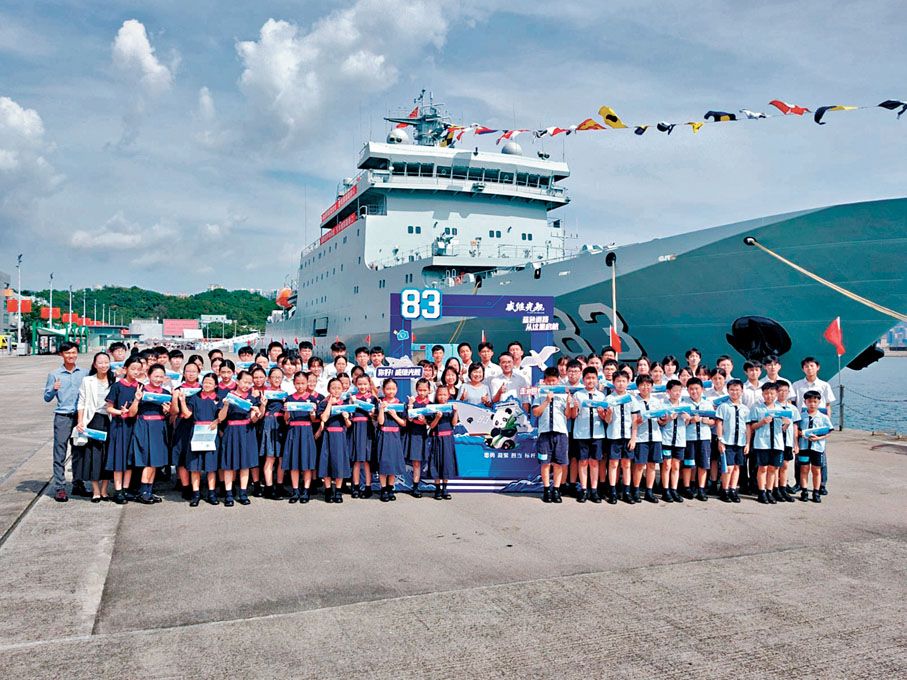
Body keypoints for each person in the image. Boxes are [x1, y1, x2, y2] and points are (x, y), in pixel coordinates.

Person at [43, 342, 87, 501]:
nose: (71, 356)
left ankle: (78, 483)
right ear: (61, 354)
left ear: (77, 354)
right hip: (62, 417)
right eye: (67, 353)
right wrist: (54, 389)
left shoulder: (84, 373)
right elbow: (47, 398)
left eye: (73, 352)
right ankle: (60, 487)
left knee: (79, 451)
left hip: (80, 417)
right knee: (60, 452)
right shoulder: (54, 374)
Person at [126, 364, 172, 504]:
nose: (158, 379)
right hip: (144, 425)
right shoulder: (141, 390)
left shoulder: (165, 392)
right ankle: (143, 491)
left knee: (155, 461)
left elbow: (169, 414)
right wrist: (137, 399)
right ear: (148, 375)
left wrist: (167, 410)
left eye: (161, 376)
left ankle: (149, 490)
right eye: (155, 376)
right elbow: (131, 413)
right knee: (147, 460)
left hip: (159, 427)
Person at [790, 356, 836, 496]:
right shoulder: (797, 385)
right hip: (802, 422)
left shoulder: (824, 385)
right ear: (803, 369)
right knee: (800, 457)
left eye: (812, 366)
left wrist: (825, 424)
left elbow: (827, 405)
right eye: (806, 366)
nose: (809, 369)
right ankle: (799, 484)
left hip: (819, 423)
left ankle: (821, 485)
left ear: (817, 367)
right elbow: (793, 404)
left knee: (820, 458)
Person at [74, 351, 114, 502]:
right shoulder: (88, 380)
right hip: (93, 420)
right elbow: (82, 402)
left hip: (109, 420)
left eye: (106, 362)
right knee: (93, 456)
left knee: (107, 456)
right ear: (95, 364)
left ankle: (104, 490)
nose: (104, 365)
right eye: (100, 362)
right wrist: (80, 421)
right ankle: (95, 490)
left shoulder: (115, 380)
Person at [532, 367, 576, 503]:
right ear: (544, 381)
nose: (551, 384)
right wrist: (546, 400)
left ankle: (556, 490)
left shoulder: (564, 394)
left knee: (558, 463)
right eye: (549, 381)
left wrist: (569, 404)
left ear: (558, 381)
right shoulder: (539, 395)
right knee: (545, 463)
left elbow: (568, 415)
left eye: (554, 381)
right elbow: (536, 413)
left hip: (561, 432)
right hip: (544, 433)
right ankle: (546, 490)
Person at [217, 370, 261, 506]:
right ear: (237, 381)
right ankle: (229, 494)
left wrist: (258, 412)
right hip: (231, 431)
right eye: (244, 382)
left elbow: (253, 420)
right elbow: (220, 418)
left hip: (247, 431)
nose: (246, 385)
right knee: (229, 465)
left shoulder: (252, 398)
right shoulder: (228, 396)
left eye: (249, 383)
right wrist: (225, 406)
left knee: (245, 465)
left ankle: (243, 493)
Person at [178, 372, 222, 506]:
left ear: (215, 385)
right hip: (196, 434)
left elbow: (222, 416)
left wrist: (216, 421)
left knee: (211, 467)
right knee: (195, 466)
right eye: (205, 382)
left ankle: (211, 493)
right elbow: (186, 415)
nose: (207, 384)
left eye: (210, 382)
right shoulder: (194, 398)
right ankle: (196, 494)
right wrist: (182, 401)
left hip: (211, 435)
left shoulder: (219, 399)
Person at [105, 357, 142, 503]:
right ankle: (118, 490)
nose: (136, 372)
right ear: (125, 369)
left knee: (129, 459)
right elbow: (108, 408)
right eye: (133, 368)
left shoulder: (140, 387)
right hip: (119, 426)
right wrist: (120, 412)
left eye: (139, 369)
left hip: (134, 426)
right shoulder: (117, 386)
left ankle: (126, 489)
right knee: (118, 458)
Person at [748, 382, 789, 505]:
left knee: (774, 468)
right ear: (763, 394)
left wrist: (787, 423)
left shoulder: (781, 409)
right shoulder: (757, 408)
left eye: (771, 393)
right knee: (762, 468)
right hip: (762, 443)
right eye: (766, 393)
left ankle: (770, 491)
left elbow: (784, 428)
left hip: (777, 443)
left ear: (776, 394)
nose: (769, 396)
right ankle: (761, 491)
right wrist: (762, 422)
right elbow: (752, 426)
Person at [603, 371, 640, 504]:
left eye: (623, 381)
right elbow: (607, 420)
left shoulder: (632, 399)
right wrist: (609, 413)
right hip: (614, 436)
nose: (621, 383)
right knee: (613, 463)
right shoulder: (608, 399)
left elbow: (635, 420)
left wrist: (633, 438)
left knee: (626, 464)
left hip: (628, 436)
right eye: (618, 381)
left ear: (628, 382)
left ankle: (627, 492)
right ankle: (612, 491)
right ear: (613, 383)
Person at [571, 367, 606, 503]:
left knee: (594, 462)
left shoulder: (601, 396)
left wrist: (602, 412)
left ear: (597, 380)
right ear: (583, 380)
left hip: (597, 434)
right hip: (582, 433)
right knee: (583, 461)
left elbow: (604, 418)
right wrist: (575, 407)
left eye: (593, 378)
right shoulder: (578, 395)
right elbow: (574, 416)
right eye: (588, 378)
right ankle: (584, 489)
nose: (591, 381)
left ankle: (594, 490)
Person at [282, 372, 319, 503]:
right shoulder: (290, 398)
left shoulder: (312, 399)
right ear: (294, 384)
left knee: (307, 463)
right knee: (294, 463)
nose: (300, 386)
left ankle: (306, 491)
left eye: (303, 383)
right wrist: (286, 410)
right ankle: (295, 490)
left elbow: (314, 419)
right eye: (297, 383)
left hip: (307, 431)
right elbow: (286, 419)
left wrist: (313, 412)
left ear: (307, 383)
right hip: (293, 431)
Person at [316, 377, 352, 503]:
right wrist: (330, 403)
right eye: (333, 388)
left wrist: (346, 418)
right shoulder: (323, 404)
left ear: (343, 389)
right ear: (328, 389)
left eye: (338, 388)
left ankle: (338, 491)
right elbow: (324, 419)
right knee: (326, 462)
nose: (336, 391)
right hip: (328, 435)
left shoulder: (346, 404)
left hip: (340, 437)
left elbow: (349, 425)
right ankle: (328, 490)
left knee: (339, 463)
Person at [714, 379, 749, 503]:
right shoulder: (723, 407)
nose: (735, 392)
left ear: (742, 391)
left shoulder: (745, 408)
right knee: (727, 467)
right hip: (727, 441)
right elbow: (719, 423)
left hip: (740, 441)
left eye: (737, 390)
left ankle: (733, 489)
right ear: (728, 391)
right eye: (732, 390)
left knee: (736, 467)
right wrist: (720, 440)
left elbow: (748, 427)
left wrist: (748, 443)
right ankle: (725, 490)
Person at [681, 377, 714, 502]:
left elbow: (714, 421)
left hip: (704, 438)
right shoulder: (684, 404)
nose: (694, 391)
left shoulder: (707, 404)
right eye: (691, 389)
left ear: (702, 389)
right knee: (689, 464)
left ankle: (701, 489)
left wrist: (708, 421)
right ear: (688, 390)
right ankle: (687, 487)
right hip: (689, 438)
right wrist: (690, 420)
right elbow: (682, 422)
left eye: (697, 389)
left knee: (703, 464)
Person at [632, 375, 663, 504]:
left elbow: (661, 421)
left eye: (648, 385)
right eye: (643, 385)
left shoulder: (656, 402)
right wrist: (640, 419)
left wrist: (665, 417)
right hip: (641, 438)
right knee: (640, 466)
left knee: (651, 465)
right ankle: (636, 491)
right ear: (638, 387)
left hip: (655, 437)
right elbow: (633, 421)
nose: (646, 388)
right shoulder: (634, 401)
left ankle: (649, 492)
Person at [797, 391, 832, 503]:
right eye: (810, 401)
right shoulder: (801, 416)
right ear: (805, 402)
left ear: (819, 402)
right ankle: (804, 491)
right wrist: (801, 433)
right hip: (804, 447)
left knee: (816, 470)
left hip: (817, 448)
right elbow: (796, 429)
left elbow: (828, 431)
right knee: (804, 468)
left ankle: (816, 491)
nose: (812, 404)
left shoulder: (823, 417)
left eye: (815, 402)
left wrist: (818, 438)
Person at [376, 378, 407, 502]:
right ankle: (383, 489)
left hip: (395, 437)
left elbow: (403, 423)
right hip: (384, 436)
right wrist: (382, 409)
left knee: (393, 463)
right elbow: (380, 421)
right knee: (384, 463)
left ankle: (390, 488)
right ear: (383, 390)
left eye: (393, 389)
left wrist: (394, 415)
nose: (390, 391)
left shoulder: (400, 404)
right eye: (388, 389)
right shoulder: (380, 403)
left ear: (397, 389)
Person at [659, 379, 690, 503]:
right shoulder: (663, 405)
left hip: (680, 440)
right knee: (666, 465)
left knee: (676, 466)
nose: (677, 393)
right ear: (668, 391)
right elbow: (660, 422)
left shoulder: (684, 406)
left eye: (679, 391)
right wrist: (668, 419)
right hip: (667, 439)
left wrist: (688, 419)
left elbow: (687, 423)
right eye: (675, 391)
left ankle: (674, 489)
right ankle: (665, 490)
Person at [260, 367, 288, 499]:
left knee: (282, 457)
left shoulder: (284, 394)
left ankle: (280, 485)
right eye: (274, 377)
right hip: (270, 423)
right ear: (268, 378)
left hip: (281, 424)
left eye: (279, 377)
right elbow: (260, 413)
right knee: (270, 457)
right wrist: (263, 404)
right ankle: (269, 487)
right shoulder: (264, 393)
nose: (277, 379)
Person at [428, 385, 459, 499]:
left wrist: (455, 412)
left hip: (448, 439)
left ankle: (445, 488)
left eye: (444, 394)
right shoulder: (432, 407)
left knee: (447, 463)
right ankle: (437, 489)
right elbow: (431, 426)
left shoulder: (451, 407)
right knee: (436, 463)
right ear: (436, 395)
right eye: (440, 394)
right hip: (437, 438)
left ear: (448, 395)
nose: (442, 397)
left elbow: (454, 423)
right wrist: (437, 417)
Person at [349, 373, 377, 498]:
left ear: (369, 384)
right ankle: (355, 487)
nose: (362, 386)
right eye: (359, 384)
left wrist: (373, 415)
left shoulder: (373, 398)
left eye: (365, 384)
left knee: (366, 460)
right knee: (356, 460)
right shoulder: (352, 397)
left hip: (367, 430)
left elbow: (377, 417)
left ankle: (367, 486)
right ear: (355, 384)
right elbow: (348, 413)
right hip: (355, 429)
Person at [405, 378, 434, 497]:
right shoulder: (412, 402)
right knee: (415, 462)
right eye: (420, 390)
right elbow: (409, 419)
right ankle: (414, 486)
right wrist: (411, 405)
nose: (422, 392)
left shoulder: (431, 405)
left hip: (423, 434)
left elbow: (431, 423)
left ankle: (417, 485)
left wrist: (425, 420)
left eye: (424, 390)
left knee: (419, 461)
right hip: (412, 432)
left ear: (429, 390)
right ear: (416, 390)